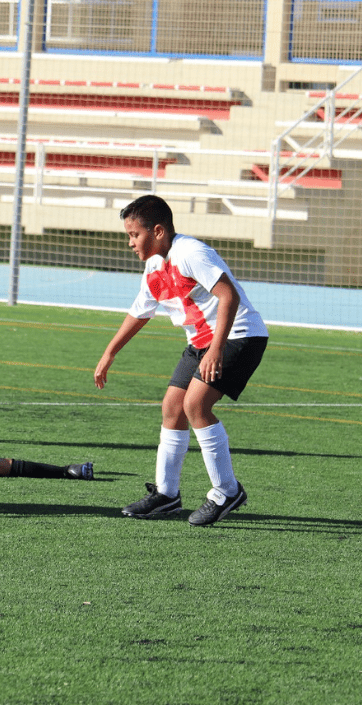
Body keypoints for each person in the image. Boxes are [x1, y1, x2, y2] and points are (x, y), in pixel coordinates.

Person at [93, 195, 268, 526]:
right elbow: (140, 312)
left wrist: (216, 348)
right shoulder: (155, 265)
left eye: (135, 235)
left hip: (239, 335)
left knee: (196, 406)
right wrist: (110, 352)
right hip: (201, 342)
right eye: (128, 235)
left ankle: (227, 491)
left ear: (158, 231)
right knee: (172, 407)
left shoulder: (190, 253)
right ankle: (167, 494)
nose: (130, 242)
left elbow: (228, 295)